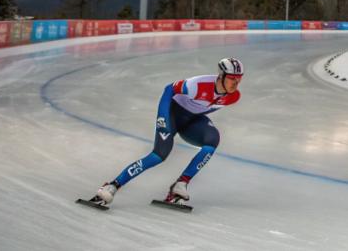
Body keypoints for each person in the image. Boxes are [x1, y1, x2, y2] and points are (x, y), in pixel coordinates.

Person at [83, 58, 244, 209]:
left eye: (239, 79)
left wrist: (199, 126)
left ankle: (180, 185)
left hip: (192, 121)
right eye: (232, 78)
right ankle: (112, 186)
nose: (235, 83)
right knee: (159, 155)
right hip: (172, 114)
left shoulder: (233, 97)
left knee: (212, 139)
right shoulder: (198, 84)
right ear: (221, 76)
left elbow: (204, 107)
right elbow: (169, 89)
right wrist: (162, 119)